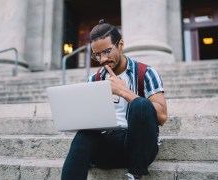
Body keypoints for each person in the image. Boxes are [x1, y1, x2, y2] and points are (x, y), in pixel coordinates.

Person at [61, 19, 167, 180]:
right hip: (106, 148)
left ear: (121, 45)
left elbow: (162, 116)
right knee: (83, 135)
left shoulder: (146, 73)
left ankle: (136, 174)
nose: (102, 59)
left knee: (141, 104)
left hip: (139, 148)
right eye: (97, 54)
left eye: (107, 51)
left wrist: (124, 92)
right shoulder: (94, 79)